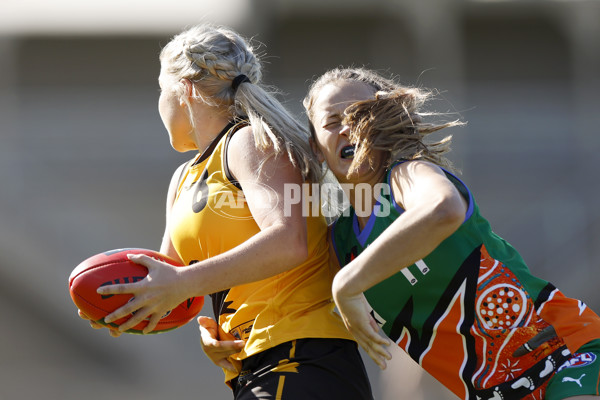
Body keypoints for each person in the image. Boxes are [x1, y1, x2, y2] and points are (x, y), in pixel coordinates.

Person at [81, 26, 373, 400]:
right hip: (254, 367)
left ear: (184, 90)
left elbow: (288, 241)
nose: (159, 103)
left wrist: (183, 284)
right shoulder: (184, 178)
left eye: (160, 89)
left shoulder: (249, 141)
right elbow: (175, 286)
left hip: (304, 358)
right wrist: (118, 302)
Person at [303, 67, 600, 400]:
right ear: (315, 148)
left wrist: (346, 284)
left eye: (359, 114)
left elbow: (443, 209)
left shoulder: (408, 175)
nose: (346, 127)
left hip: (565, 353)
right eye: (331, 122)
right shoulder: (341, 241)